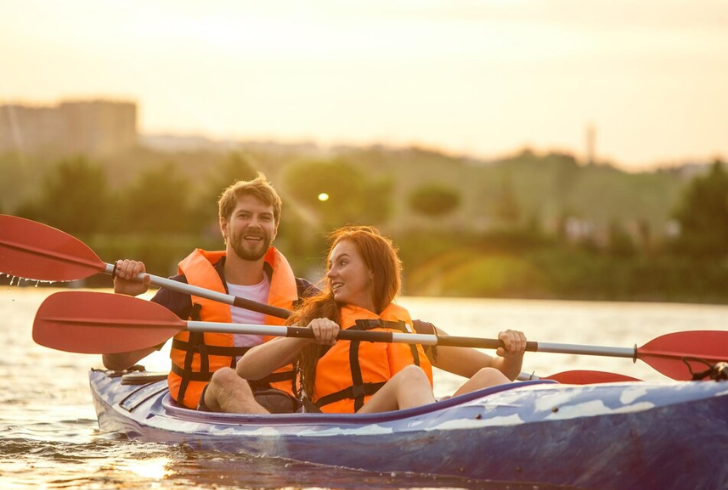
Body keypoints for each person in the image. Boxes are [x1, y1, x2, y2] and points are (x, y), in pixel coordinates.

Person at [237, 226, 527, 414]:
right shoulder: (321, 320)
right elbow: (247, 369)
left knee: (489, 378)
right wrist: (304, 336)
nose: (331, 274)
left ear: (373, 270)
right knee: (411, 376)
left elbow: (498, 370)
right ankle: (430, 441)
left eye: (343, 263)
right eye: (330, 265)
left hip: (414, 425)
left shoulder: (414, 330)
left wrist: (514, 351)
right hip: (353, 429)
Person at [103, 174, 315, 414]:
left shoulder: (304, 295)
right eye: (244, 215)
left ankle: (272, 438)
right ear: (224, 225)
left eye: (264, 217)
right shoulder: (185, 290)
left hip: (280, 402)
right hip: (207, 404)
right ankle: (273, 443)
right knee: (226, 379)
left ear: (275, 228)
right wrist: (122, 298)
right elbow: (117, 361)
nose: (254, 224)